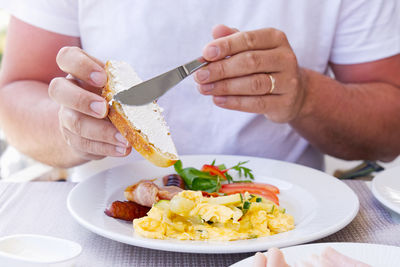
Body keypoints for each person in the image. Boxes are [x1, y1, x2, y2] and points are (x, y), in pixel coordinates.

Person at [0, 0, 399, 181]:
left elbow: (391, 129)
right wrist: (71, 129)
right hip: (108, 222)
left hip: (288, 231)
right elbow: (16, 94)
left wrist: (306, 96)